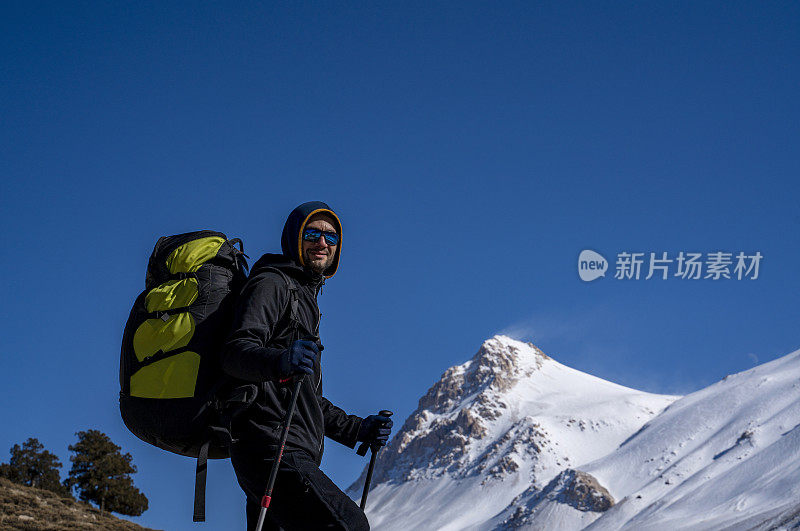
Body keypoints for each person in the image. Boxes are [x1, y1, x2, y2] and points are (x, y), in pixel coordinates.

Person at [223, 201, 393, 530]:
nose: (322, 243)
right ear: (294, 238)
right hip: (270, 447)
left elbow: (305, 397)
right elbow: (234, 353)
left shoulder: (305, 299)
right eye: (312, 234)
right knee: (350, 526)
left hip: (282, 448)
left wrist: (358, 429)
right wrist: (280, 361)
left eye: (331, 238)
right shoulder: (272, 284)